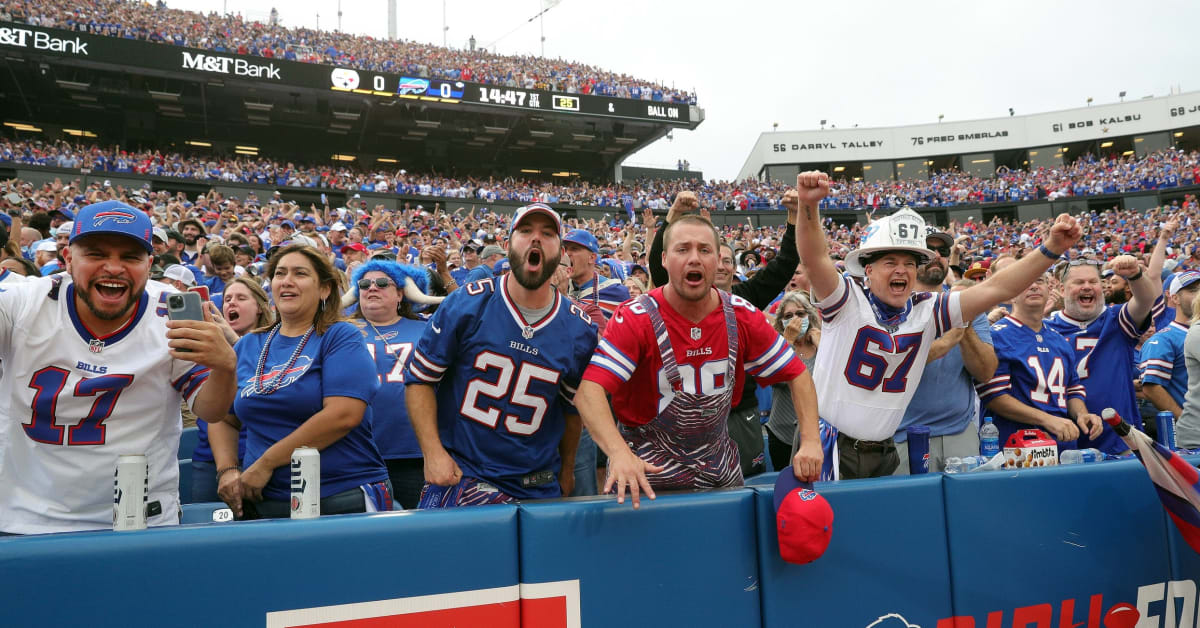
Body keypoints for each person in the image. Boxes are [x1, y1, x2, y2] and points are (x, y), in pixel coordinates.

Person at [792, 171, 1087, 479]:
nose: (902, 270)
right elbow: (814, 259)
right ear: (868, 269)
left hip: (885, 449)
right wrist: (808, 204)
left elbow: (996, 289)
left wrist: (1051, 248)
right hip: (831, 445)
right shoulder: (847, 300)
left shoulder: (927, 310)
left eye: (909, 263)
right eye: (890, 262)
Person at [0, 200, 237, 534]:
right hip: (26, 517)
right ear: (68, 259)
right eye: (96, 254)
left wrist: (226, 367)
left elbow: (211, 410)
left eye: (130, 257)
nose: (113, 267)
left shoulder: (169, 312)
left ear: (149, 264)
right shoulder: (24, 302)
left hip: (138, 520)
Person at [575, 214, 822, 508]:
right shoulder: (635, 317)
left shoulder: (740, 315)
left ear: (718, 260)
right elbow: (588, 392)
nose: (694, 258)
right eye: (683, 249)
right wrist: (617, 453)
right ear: (664, 259)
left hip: (718, 474)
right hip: (646, 476)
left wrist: (810, 441)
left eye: (704, 250)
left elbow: (797, 374)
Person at [406, 203, 598, 507]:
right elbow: (420, 380)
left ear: (561, 253)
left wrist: (568, 468)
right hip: (464, 474)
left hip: (537, 482)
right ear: (508, 245)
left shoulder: (579, 328)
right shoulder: (466, 304)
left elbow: (571, 411)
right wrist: (432, 452)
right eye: (526, 231)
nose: (536, 239)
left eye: (547, 234)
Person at [228, 244, 391, 518]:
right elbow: (224, 416)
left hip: (340, 495)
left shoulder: (341, 336)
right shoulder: (248, 344)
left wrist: (266, 463)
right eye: (280, 274)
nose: (287, 281)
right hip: (264, 499)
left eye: (300, 273)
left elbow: (343, 415)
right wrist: (227, 470)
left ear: (325, 289)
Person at [648, 190, 802, 478]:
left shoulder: (746, 299)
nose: (720, 265)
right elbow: (659, 264)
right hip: (684, 418)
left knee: (748, 486)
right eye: (714, 257)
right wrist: (672, 217)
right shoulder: (675, 300)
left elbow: (784, 265)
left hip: (739, 414)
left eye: (728, 260)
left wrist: (793, 218)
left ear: (735, 269)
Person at [1043, 242, 1165, 455]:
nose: (1087, 286)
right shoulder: (1045, 329)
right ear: (1061, 290)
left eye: (1093, 281)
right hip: (1064, 444)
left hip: (1120, 442)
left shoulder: (1116, 320)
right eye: (1078, 282)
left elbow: (1145, 299)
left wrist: (1135, 274)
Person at [892, 232, 998, 474]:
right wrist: (949, 338)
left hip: (959, 434)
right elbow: (898, 365)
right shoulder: (891, 307)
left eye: (942, 251)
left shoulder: (968, 305)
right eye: (929, 249)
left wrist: (963, 318)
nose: (937, 256)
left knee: (966, 509)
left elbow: (986, 372)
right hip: (902, 436)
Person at [976, 273, 1103, 448]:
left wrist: (1082, 414)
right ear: (1011, 294)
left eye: (1040, 281)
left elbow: (1072, 390)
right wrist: (1047, 420)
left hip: (1061, 444)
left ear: (1049, 290)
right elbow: (994, 396)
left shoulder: (1059, 340)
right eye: (1026, 282)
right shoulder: (997, 336)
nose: (1034, 286)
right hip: (1016, 448)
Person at [350, 259, 437, 510]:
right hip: (358, 454)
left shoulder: (427, 328)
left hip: (415, 453)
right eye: (365, 283)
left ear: (400, 293)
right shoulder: (340, 331)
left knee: (417, 528)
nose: (372, 288)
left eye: (382, 283)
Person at [560, 227, 629, 497]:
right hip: (570, 396)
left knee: (600, 470)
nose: (568, 255)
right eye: (565, 250)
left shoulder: (615, 292)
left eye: (575, 249)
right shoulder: (556, 291)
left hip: (604, 392)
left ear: (592, 257)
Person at [191, 276, 273, 505]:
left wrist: (235, 342)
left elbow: (265, 383)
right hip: (210, 460)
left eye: (241, 298)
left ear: (259, 307)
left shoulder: (276, 343)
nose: (231, 304)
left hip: (260, 458)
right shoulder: (205, 346)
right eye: (227, 299)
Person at [765, 291, 821, 472]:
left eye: (800, 314)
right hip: (782, 433)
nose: (795, 319)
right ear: (781, 321)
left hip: (816, 433)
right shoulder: (777, 345)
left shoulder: (821, 343)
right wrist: (787, 340)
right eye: (788, 316)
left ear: (809, 316)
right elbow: (773, 377)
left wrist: (822, 347)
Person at [1140, 271, 1200, 420]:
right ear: (1174, 298)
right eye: (1193, 290)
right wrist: (1185, 420)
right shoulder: (1164, 339)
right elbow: (1151, 387)